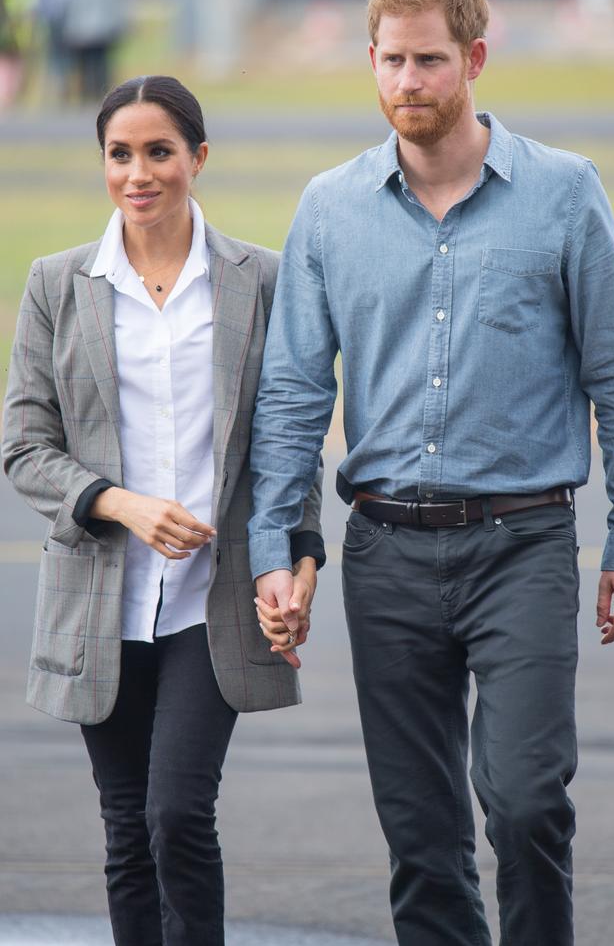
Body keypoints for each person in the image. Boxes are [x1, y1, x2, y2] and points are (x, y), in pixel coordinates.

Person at [248, 0, 614, 946]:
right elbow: (294, 394)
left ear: (473, 57)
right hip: (384, 555)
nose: (407, 83)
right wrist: (272, 550)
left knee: (522, 806)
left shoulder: (562, 193)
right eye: (389, 61)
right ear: (369, 61)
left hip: (522, 544)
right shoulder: (327, 209)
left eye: (428, 60)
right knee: (421, 840)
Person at [2, 74, 325, 946]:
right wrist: (122, 504)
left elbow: (289, 447)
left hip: (211, 604)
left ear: (198, 158)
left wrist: (300, 562)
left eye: (158, 152)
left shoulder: (260, 279)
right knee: (125, 827)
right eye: (119, 153)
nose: (137, 173)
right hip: (98, 604)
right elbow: (24, 446)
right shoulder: (55, 283)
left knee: (177, 812)